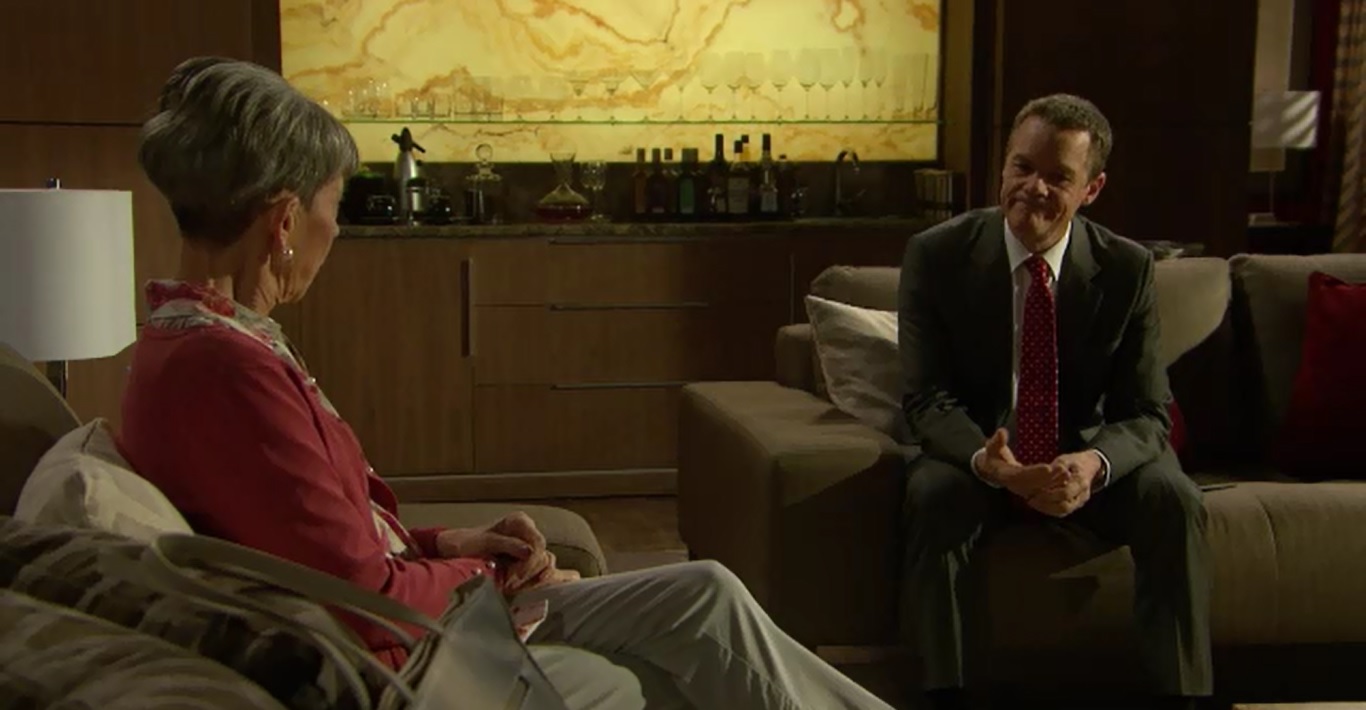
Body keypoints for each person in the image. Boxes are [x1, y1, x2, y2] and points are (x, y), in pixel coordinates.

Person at [118, 57, 893, 710]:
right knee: (695, 635)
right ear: (285, 222)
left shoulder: (192, 342)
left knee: (706, 597)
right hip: (416, 659)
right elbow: (361, 593)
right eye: (334, 207)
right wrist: (486, 573)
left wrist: (449, 542)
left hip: (422, 620)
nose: (338, 230)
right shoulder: (227, 368)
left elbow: (320, 542)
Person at [897, 94, 1211, 710]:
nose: (1033, 188)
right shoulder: (936, 255)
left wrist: (1091, 465)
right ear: (1003, 166)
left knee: (1173, 498)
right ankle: (945, 697)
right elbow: (926, 398)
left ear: (1092, 189)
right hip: (982, 457)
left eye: (1058, 177)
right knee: (933, 495)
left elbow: (1148, 412)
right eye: (1022, 167)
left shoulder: (1127, 269)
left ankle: (1183, 698)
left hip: (1084, 463)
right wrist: (991, 464)